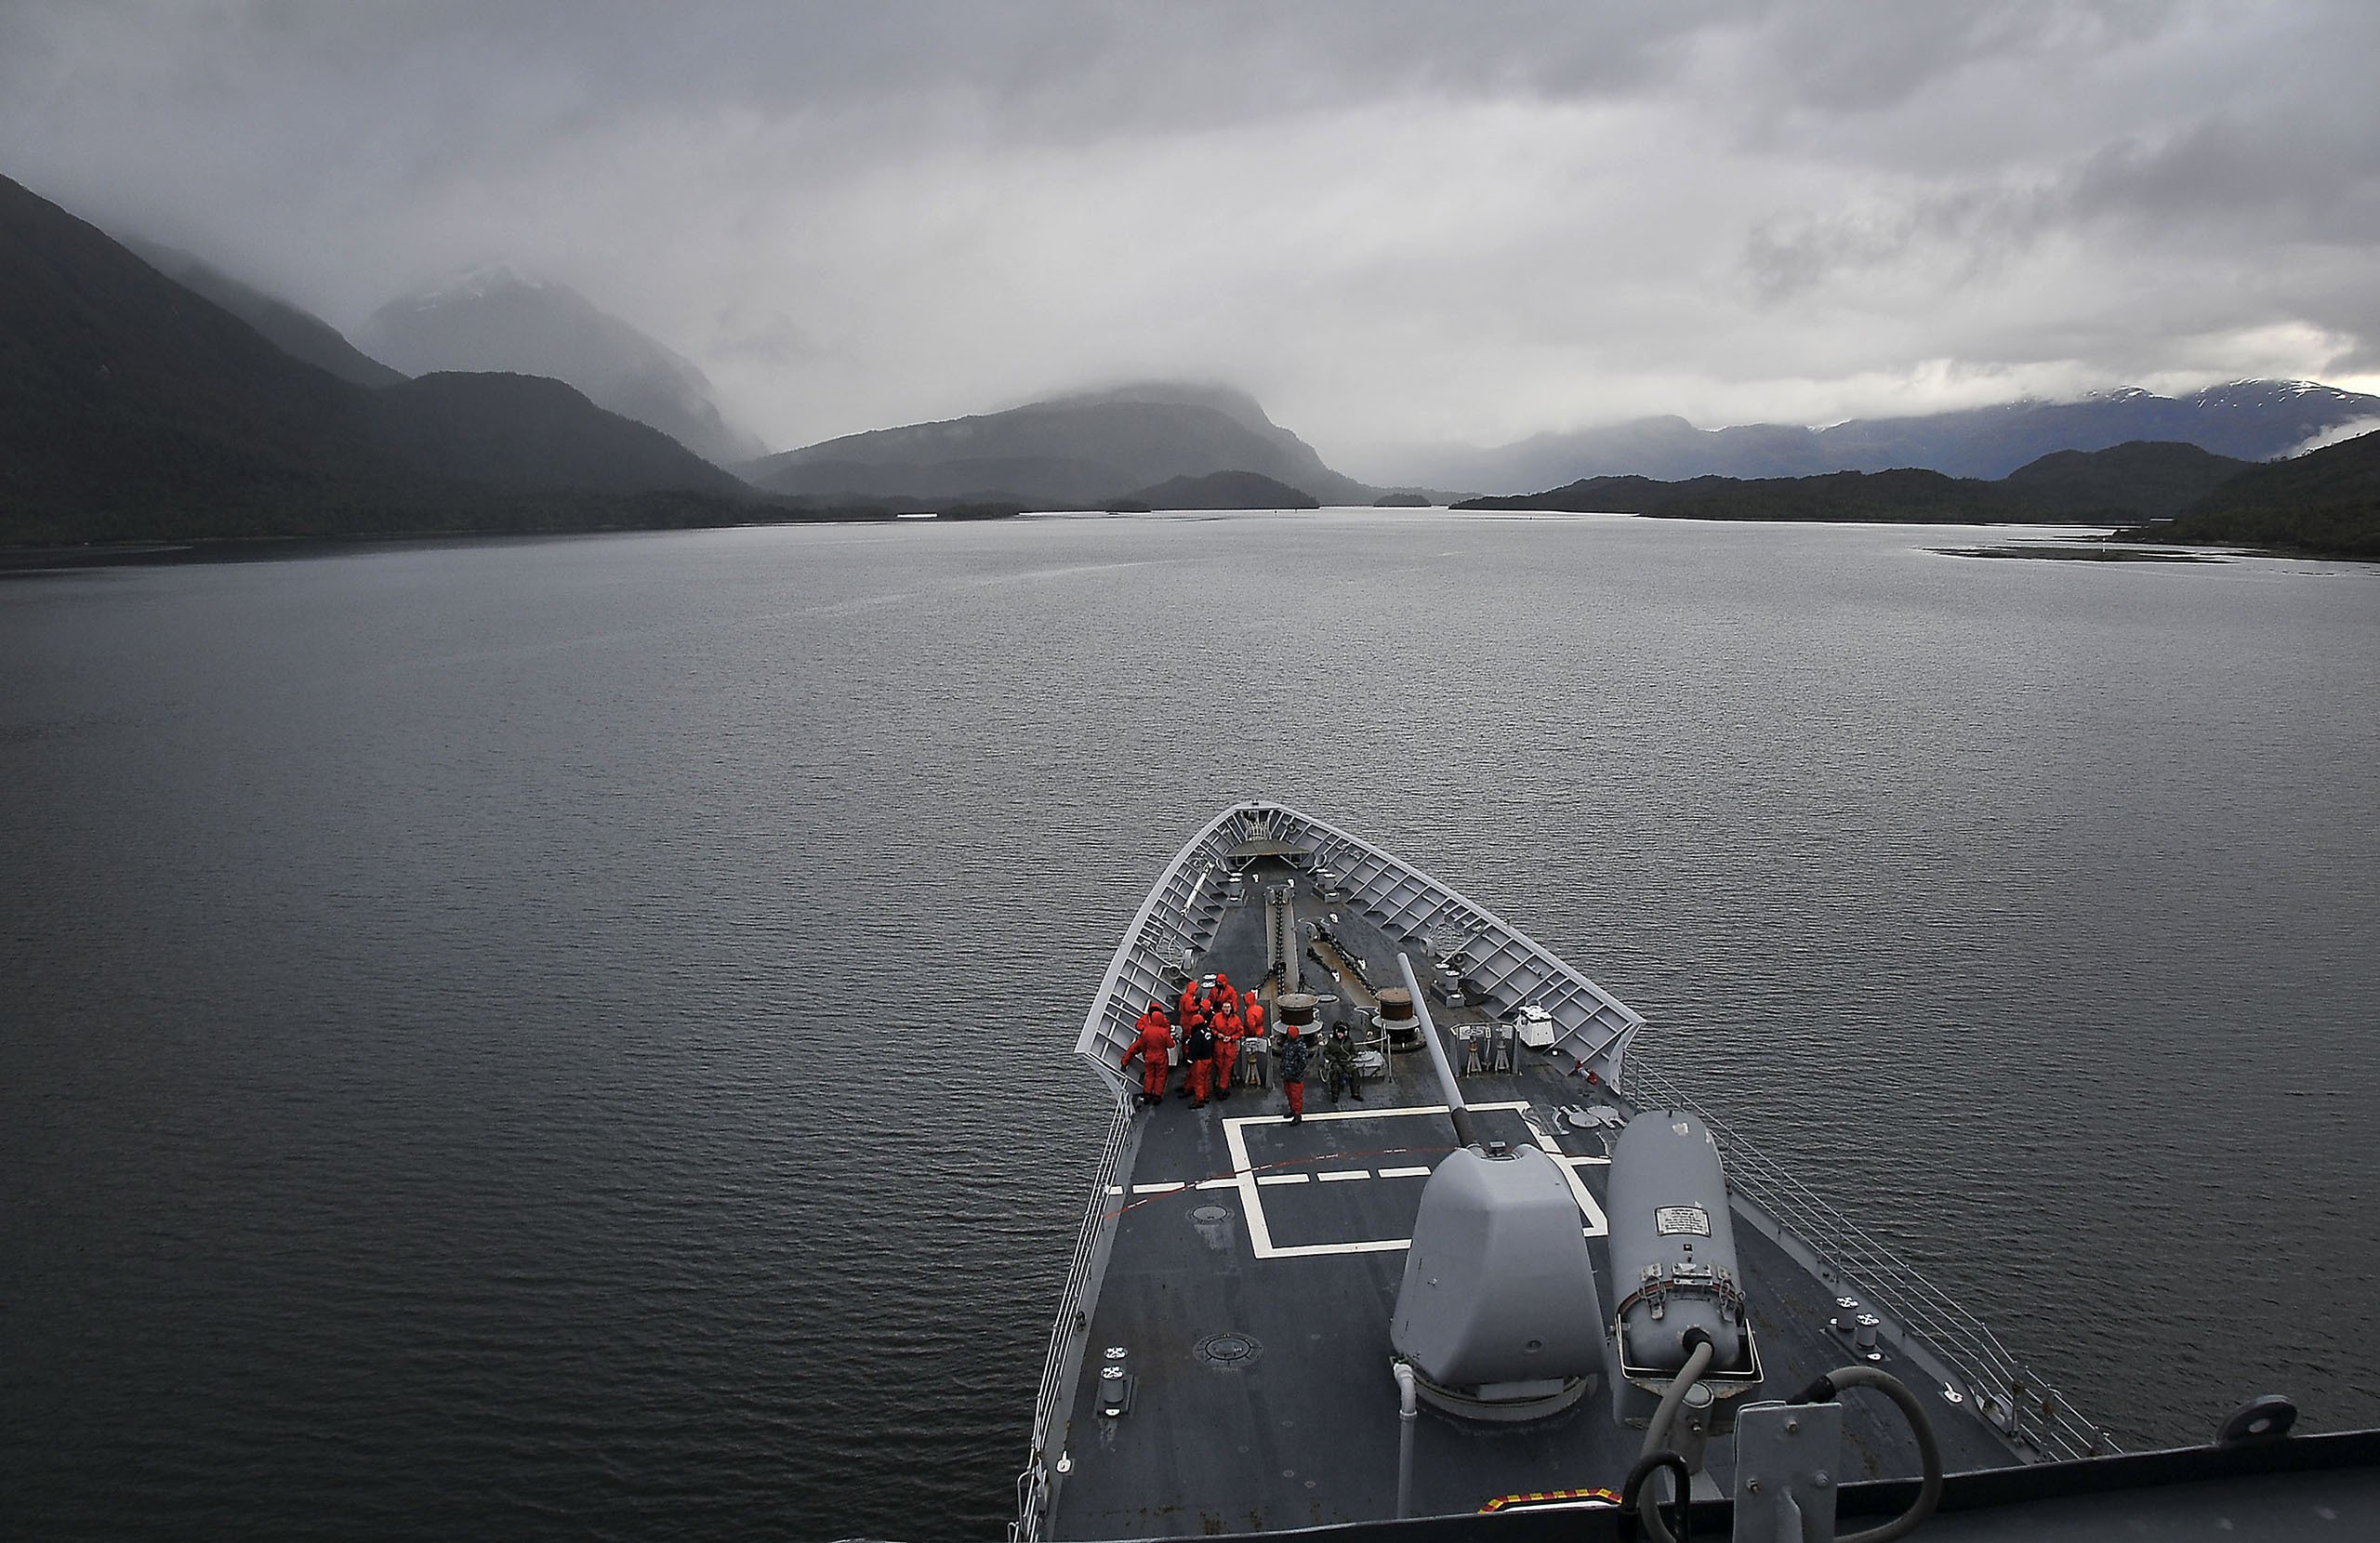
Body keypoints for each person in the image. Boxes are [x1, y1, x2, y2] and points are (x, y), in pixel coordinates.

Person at [1121, 1005, 1174, 1106]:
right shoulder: (1163, 1030)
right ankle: (1157, 1096)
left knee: (1149, 1075)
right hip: (1161, 1056)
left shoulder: (1146, 1031)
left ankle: (1147, 1094)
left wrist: (1124, 1063)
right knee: (1160, 1076)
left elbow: (1136, 1047)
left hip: (1149, 1055)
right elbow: (1170, 1044)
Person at [1320, 1023, 1363, 1104]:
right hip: (1336, 1062)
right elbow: (1326, 1052)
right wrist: (1334, 1058)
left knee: (1354, 1071)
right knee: (1335, 1073)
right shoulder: (1332, 1042)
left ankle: (1355, 1093)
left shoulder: (1349, 1042)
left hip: (1346, 1062)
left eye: (1342, 1033)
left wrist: (1350, 1057)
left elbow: (1354, 1052)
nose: (1340, 1035)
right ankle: (1335, 1095)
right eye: (1339, 1033)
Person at [1277, 1022, 1310, 1124]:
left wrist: (1296, 1071)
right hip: (1287, 1074)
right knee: (1289, 1094)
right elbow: (1284, 1057)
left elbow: (1303, 1062)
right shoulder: (1288, 1043)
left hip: (1295, 1076)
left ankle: (1297, 1115)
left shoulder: (1300, 1046)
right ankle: (1293, 1110)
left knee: (1296, 1096)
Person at [1183, 1015, 1217, 1107]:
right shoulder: (1208, 1030)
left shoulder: (1197, 1035)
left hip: (1200, 1061)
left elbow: (1195, 1049)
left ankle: (1199, 1100)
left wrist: (1190, 1060)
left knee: (1198, 1081)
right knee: (1206, 1079)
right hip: (1208, 1058)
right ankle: (1205, 1096)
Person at [1213, 1006, 1243, 1099]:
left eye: (1228, 1007)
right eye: (1225, 1007)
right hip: (1219, 1045)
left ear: (1231, 1009)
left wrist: (1231, 1038)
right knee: (1220, 1067)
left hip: (1230, 1046)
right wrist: (1218, 1034)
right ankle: (1222, 1088)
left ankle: (1222, 1088)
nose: (1226, 1009)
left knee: (1226, 1068)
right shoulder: (1217, 1017)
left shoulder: (1236, 1019)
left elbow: (1240, 1032)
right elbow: (1212, 1027)